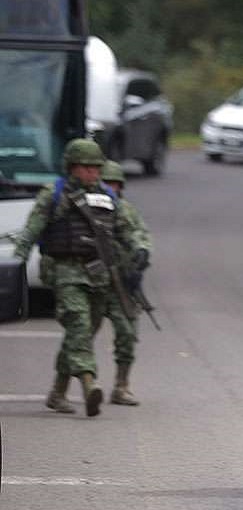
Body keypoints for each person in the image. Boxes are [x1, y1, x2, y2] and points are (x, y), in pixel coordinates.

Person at [11, 139, 149, 418]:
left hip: (99, 276)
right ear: (72, 168)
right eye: (86, 168)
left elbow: (126, 229)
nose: (92, 173)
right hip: (65, 272)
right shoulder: (54, 195)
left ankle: (58, 392)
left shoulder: (108, 198)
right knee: (78, 324)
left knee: (80, 334)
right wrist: (16, 262)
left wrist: (139, 249)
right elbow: (31, 230)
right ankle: (89, 383)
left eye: (95, 168)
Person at [98, 159, 152, 405]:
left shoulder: (127, 211)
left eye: (115, 184)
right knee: (79, 335)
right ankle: (63, 386)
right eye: (106, 183)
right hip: (93, 282)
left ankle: (121, 386)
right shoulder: (85, 206)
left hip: (122, 284)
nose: (111, 189)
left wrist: (141, 253)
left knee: (127, 335)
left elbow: (141, 234)